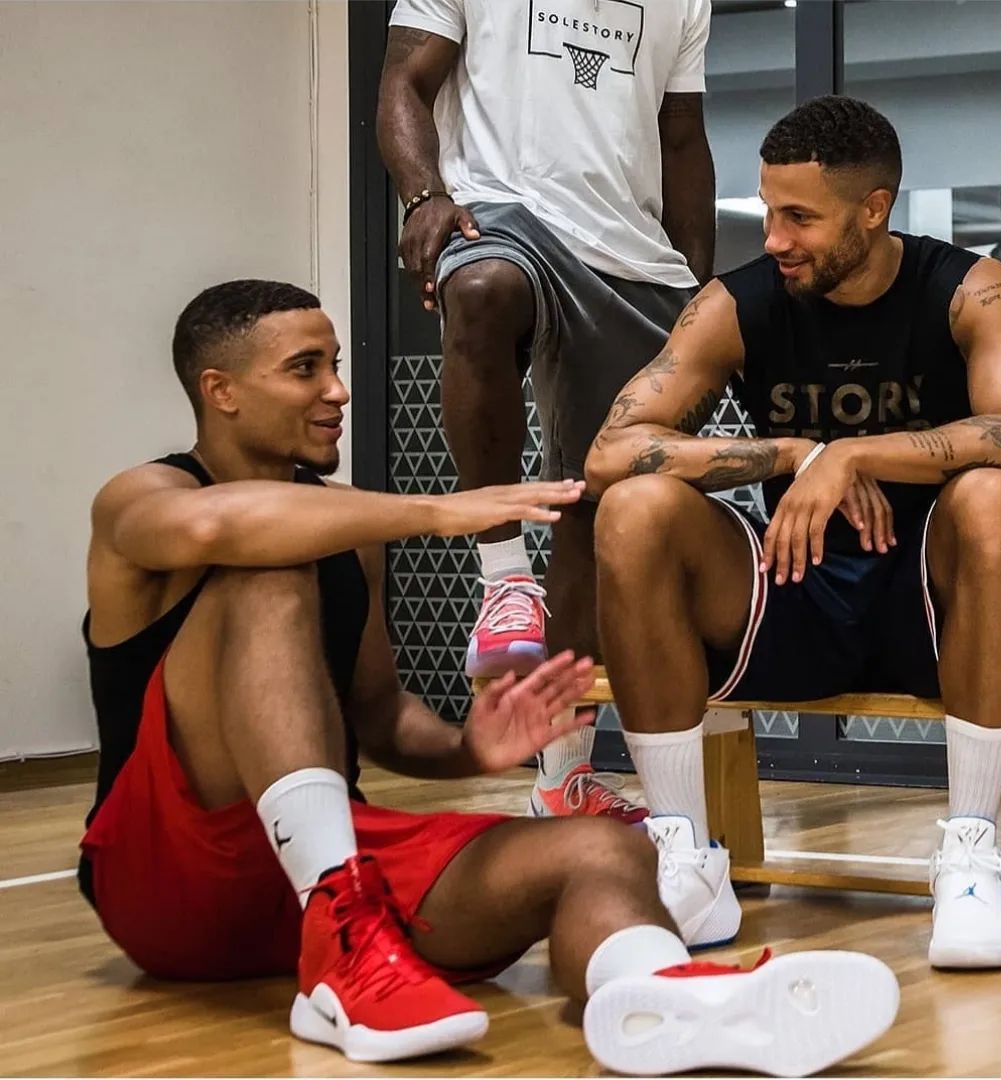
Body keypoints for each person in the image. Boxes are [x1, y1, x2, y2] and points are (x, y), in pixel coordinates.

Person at [77, 279, 900, 1072]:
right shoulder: (140, 498)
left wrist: (470, 749)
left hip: (329, 862)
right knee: (267, 568)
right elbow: (215, 527)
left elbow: (377, 718)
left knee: (600, 849)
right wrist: (442, 511)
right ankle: (342, 936)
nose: (337, 391)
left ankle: (665, 1000)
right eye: (305, 370)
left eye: (335, 365)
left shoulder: (349, 533)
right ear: (220, 391)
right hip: (168, 881)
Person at [585, 96, 1001, 970]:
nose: (774, 238)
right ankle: (684, 855)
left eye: (799, 217)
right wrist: (797, 453)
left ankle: (969, 856)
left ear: (873, 209)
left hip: (934, 611)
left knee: (993, 495)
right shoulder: (736, 304)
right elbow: (610, 454)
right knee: (634, 507)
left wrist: (855, 454)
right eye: (769, 211)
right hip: (791, 593)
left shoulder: (968, 287)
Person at [376, 0, 716, 821]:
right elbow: (403, 82)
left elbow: (681, 139)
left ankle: (563, 776)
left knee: (595, 509)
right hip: (500, 209)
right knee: (482, 288)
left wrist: (699, 286)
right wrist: (422, 195)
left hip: (632, 254)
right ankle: (503, 578)